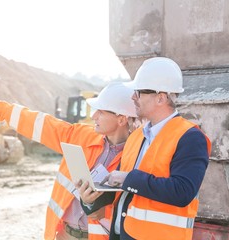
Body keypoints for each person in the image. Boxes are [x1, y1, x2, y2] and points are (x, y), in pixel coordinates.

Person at [0, 82, 137, 240]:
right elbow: (42, 124)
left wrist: (100, 209)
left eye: (101, 112)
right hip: (64, 234)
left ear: (121, 119)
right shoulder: (81, 136)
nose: (94, 116)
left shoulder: (137, 156)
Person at [77, 57, 212, 240]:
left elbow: (183, 191)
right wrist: (89, 199)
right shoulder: (137, 136)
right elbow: (119, 189)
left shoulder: (190, 138)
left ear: (160, 98)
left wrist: (128, 179)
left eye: (138, 92)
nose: (132, 97)